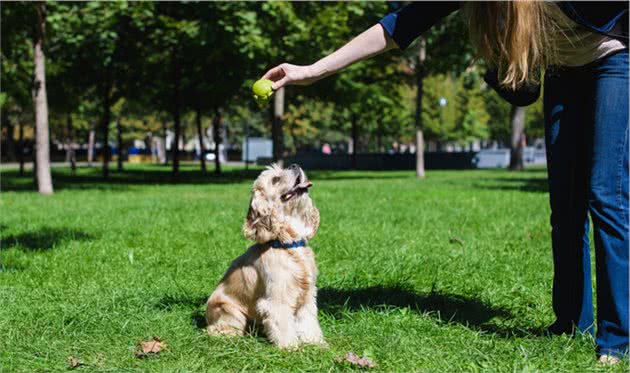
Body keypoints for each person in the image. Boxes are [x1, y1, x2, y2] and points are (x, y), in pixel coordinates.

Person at [261, 1, 629, 364]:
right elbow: (399, 25)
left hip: (615, 58)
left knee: (605, 195)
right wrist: (312, 71)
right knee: (565, 206)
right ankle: (570, 325)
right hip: (563, 70)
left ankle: (615, 340)